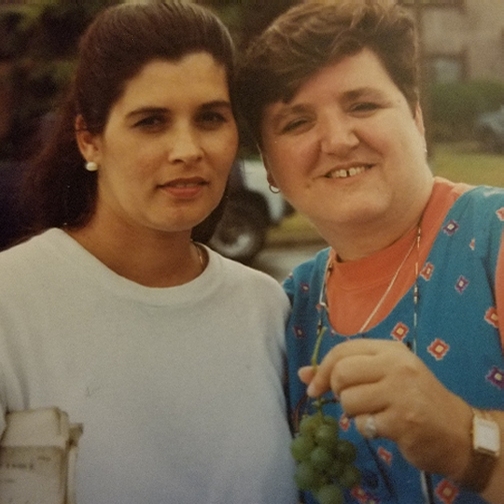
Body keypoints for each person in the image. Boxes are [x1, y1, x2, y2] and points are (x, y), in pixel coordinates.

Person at [0, 2, 297, 503]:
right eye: (151, 121)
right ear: (89, 140)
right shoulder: (12, 302)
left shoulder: (267, 309)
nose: (187, 149)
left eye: (210, 117)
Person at [236, 1, 504, 503]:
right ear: (270, 169)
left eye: (363, 106)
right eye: (297, 123)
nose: (338, 140)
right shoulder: (288, 310)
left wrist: (469, 438)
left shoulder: (493, 239)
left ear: (417, 117)